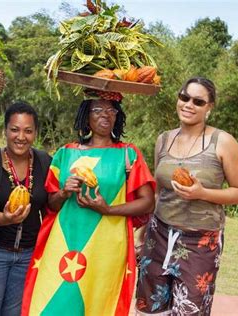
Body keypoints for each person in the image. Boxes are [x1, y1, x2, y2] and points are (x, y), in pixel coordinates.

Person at [21, 93, 155, 316]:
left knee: (97, 303)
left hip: (108, 245)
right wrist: (64, 192)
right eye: (98, 110)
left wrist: (108, 209)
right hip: (65, 241)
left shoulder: (128, 154)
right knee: (57, 303)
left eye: (111, 110)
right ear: (86, 118)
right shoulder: (65, 153)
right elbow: (51, 205)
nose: (105, 115)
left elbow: (148, 202)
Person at [135, 77, 238, 315]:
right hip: (158, 236)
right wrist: (141, 235)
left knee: (190, 310)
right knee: (150, 308)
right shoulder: (164, 140)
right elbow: (159, 192)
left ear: (209, 107)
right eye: (184, 97)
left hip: (200, 241)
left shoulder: (223, 142)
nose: (189, 104)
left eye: (198, 101)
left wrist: (202, 193)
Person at [0, 102, 52, 316]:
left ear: (35, 133)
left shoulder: (45, 162)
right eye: (14, 129)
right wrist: (6, 219)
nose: (21, 137)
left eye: (28, 131)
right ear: (5, 130)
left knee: (15, 313)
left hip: (28, 253)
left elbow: (51, 208)